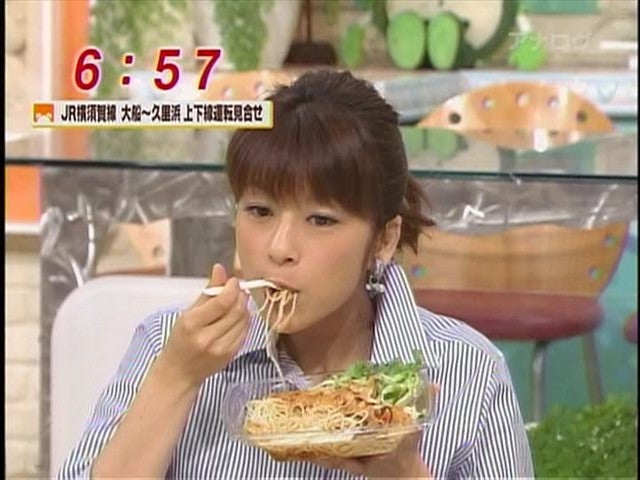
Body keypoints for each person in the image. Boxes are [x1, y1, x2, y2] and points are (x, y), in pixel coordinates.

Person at [58, 69, 534, 479]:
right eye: (260, 211)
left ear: (383, 240)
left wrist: (403, 472)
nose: (279, 248)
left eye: (321, 220)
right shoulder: (170, 344)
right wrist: (176, 377)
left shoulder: (467, 373)